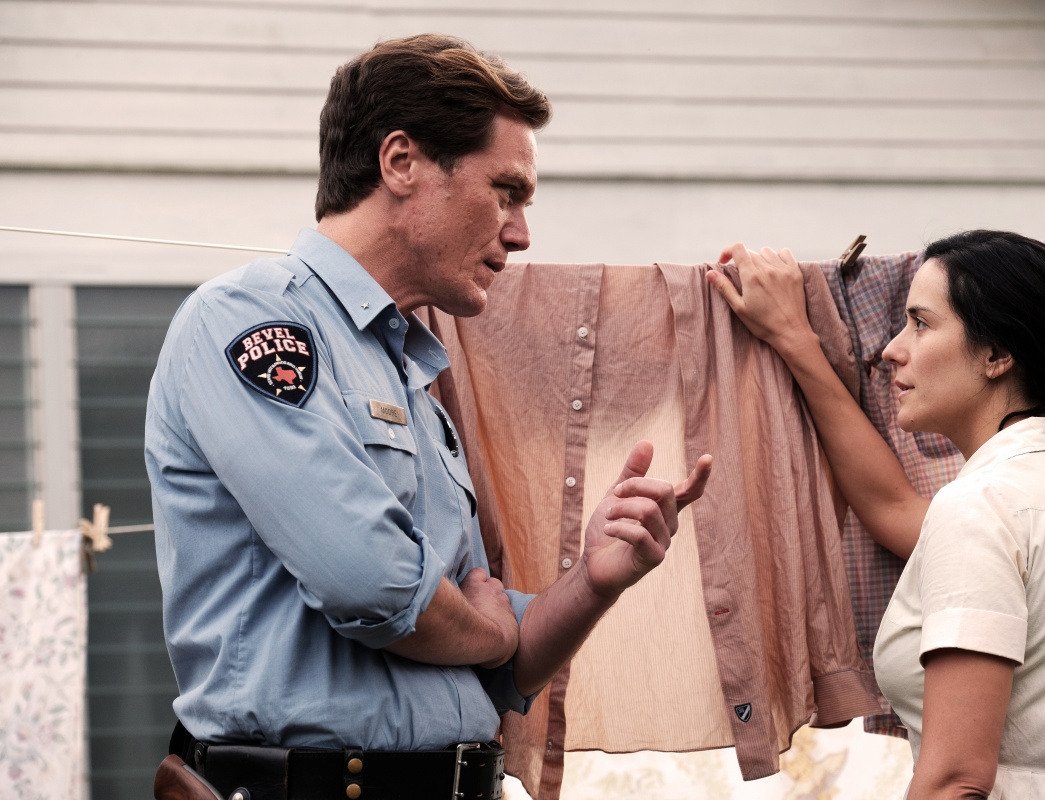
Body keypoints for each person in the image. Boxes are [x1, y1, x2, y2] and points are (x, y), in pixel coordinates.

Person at [145, 33, 712, 800]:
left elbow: (499, 668)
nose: (520, 233)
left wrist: (593, 580)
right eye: (504, 192)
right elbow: (373, 588)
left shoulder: (407, 370)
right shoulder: (250, 322)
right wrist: (493, 630)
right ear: (401, 162)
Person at [708, 231, 1045, 799]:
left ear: (996, 355)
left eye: (921, 323)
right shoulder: (1007, 498)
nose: (891, 349)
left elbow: (955, 781)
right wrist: (795, 338)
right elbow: (893, 507)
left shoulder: (980, 507)